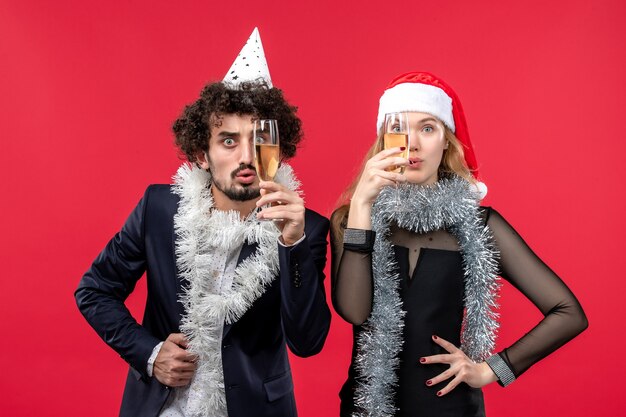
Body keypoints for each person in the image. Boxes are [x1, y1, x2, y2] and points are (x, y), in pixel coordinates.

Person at [75, 28, 331, 417]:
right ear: (201, 153)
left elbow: (307, 341)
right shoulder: (158, 209)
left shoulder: (306, 228)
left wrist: (292, 245)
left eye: (258, 140)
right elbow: (94, 290)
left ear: (278, 149)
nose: (246, 156)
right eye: (229, 141)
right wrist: (150, 352)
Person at [330, 71, 588, 417]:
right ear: (383, 140)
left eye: (427, 128)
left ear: (446, 141)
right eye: (398, 128)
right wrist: (362, 204)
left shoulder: (480, 225)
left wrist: (492, 369)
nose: (412, 144)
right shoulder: (350, 219)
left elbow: (569, 313)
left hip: (451, 409)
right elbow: (354, 311)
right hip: (365, 409)